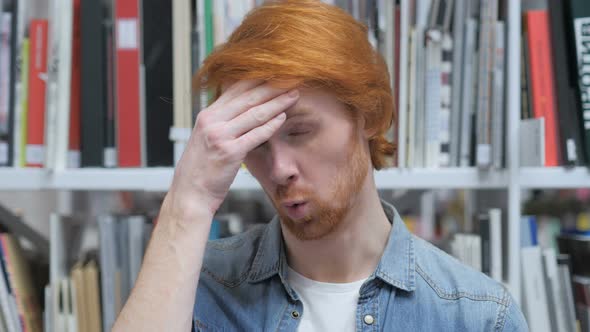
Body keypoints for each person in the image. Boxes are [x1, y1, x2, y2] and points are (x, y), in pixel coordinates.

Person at [113, 1, 528, 331]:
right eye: (256, 144)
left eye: (299, 132)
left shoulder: (476, 317)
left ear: (368, 115)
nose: (278, 169)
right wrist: (190, 199)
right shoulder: (196, 286)